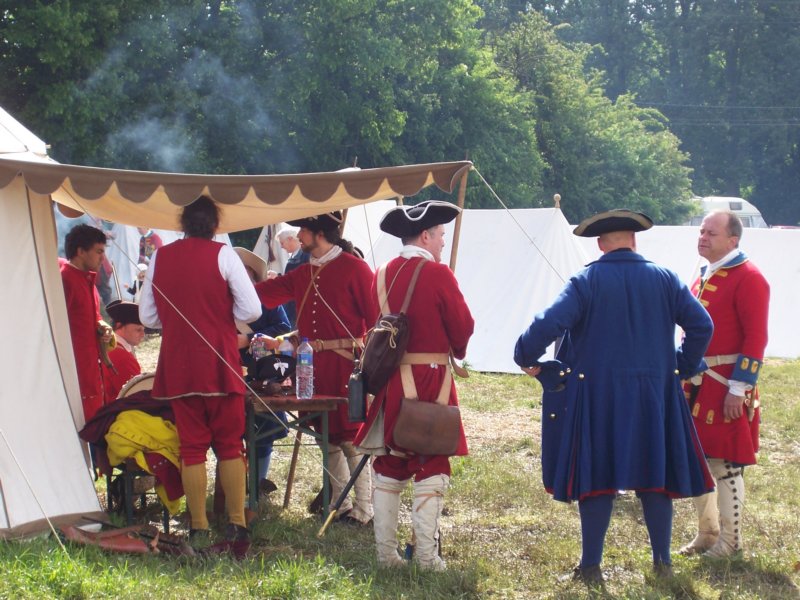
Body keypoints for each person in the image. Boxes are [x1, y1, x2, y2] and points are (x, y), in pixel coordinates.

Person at [514, 209, 714, 584]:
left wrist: (525, 355)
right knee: (654, 473)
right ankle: (662, 563)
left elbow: (548, 323)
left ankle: (591, 567)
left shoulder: (587, 280)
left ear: (601, 244)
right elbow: (702, 325)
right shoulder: (665, 278)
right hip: (655, 394)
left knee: (598, 474)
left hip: (598, 395)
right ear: (633, 240)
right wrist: (682, 366)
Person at [354, 200, 474, 571]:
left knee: (390, 462)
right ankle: (426, 558)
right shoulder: (438, 274)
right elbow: (463, 328)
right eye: (440, 235)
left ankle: (386, 556)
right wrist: (456, 347)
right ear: (425, 235)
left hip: (391, 384)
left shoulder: (381, 273)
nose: (442, 242)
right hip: (430, 380)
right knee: (433, 460)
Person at [139, 195, 261, 544]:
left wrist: (181, 323)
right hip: (220, 361)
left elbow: (147, 317)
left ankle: (198, 525)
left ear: (183, 224)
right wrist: (222, 319)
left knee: (191, 446)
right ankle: (236, 522)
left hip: (178, 363)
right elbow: (251, 309)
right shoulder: (223, 254)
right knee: (228, 443)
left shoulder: (161, 256)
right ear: (215, 225)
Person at [255, 211, 378, 525]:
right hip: (312, 366)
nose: (299, 237)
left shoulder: (356, 269)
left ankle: (366, 511)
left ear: (318, 233)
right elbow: (264, 294)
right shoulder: (302, 272)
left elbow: (376, 319)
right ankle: (342, 505)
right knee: (329, 437)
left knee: (352, 438)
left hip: (345, 365)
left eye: (303, 231)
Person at [679, 210, 770, 558]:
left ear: (733, 239)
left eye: (711, 233)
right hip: (697, 381)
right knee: (700, 458)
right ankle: (708, 532)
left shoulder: (750, 278)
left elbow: (756, 337)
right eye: (701, 231)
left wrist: (739, 388)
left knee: (725, 463)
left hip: (725, 384)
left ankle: (730, 542)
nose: (702, 237)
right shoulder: (702, 274)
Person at [233, 246, 292, 493]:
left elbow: (284, 329)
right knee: (230, 434)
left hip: (261, 375)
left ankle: (257, 484)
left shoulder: (267, 300)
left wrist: (251, 339)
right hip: (229, 373)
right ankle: (235, 484)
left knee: (264, 430)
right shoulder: (218, 301)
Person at [61, 224, 114, 422]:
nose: (103, 258)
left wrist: (101, 326)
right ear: (81, 251)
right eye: (99, 251)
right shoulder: (65, 278)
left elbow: (90, 317)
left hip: (90, 367)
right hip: (76, 369)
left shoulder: (86, 278)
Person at [266, 227, 310, 327]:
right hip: (293, 305)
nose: (281, 247)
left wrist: (278, 277)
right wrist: (278, 276)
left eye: (282, 243)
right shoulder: (297, 256)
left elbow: (301, 280)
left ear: (290, 239)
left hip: (299, 306)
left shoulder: (306, 256)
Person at [102, 300, 145, 400]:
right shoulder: (121, 356)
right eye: (138, 330)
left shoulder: (112, 348)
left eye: (144, 330)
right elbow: (136, 395)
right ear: (119, 326)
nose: (143, 335)